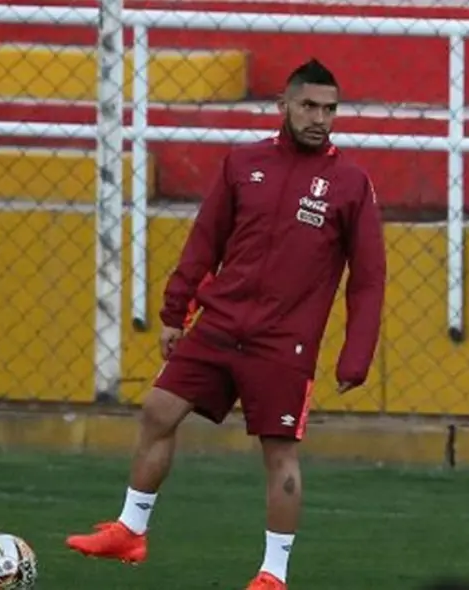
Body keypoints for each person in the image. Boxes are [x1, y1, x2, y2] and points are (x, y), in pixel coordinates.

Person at [66, 58, 387, 590]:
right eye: (308, 106)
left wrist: (357, 353)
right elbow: (205, 241)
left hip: (283, 341)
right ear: (283, 105)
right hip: (219, 324)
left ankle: (272, 575)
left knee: (279, 451)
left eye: (330, 109)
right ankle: (131, 530)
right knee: (158, 409)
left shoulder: (351, 184)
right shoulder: (243, 163)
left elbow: (369, 277)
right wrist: (175, 311)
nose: (320, 118)